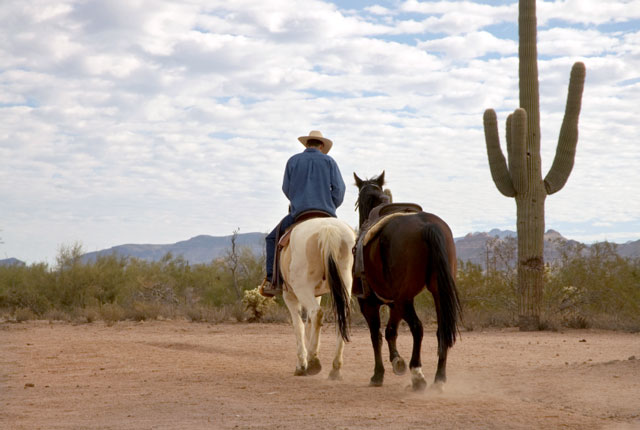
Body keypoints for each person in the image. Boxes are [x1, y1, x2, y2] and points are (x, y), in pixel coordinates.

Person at [259, 130, 346, 297]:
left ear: (307, 144)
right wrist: (329, 205)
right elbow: (339, 190)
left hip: (299, 214)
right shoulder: (330, 161)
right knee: (351, 243)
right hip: (326, 213)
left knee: (272, 239)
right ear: (321, 145)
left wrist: (299, 200)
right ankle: (355, 279)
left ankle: (272, 281)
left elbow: (287, 188)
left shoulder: (293, 161)